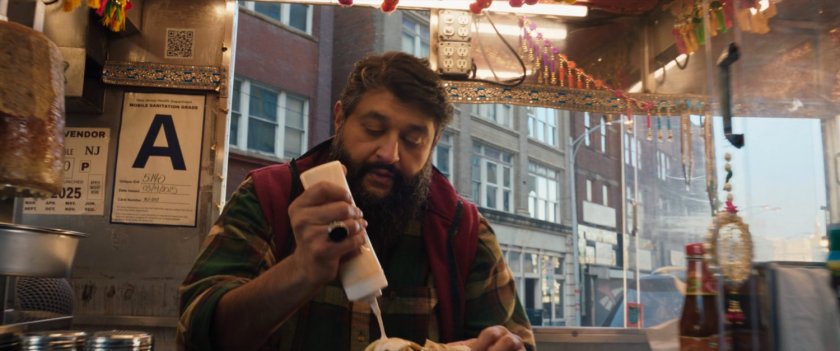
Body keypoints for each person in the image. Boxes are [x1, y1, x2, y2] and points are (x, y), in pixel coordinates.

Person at [178, 52, 535, 351]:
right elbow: (195, 329)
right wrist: (300, 271)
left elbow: (514, 338)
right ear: (339, 118)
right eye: (374, 129)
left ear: (434, 143)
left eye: (413, 139)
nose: (389, 154)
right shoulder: (269, 196)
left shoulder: (462, 229)